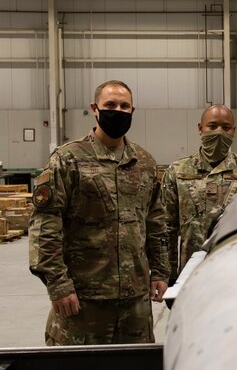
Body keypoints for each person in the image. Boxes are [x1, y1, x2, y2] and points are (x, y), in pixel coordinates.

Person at [28, 80, 169, 345]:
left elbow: (156, 222)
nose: (118, 110)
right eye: (110, 105)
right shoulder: (67, 159)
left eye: (124, 106)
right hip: (82, 301)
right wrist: (58, 285)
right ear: (95, 108)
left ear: (132, 110)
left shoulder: (145, 162)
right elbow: (45, 227)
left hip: (134, 304)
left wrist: (160, 271)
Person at [161, 104, 237, 279]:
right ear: (200, 128)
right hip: (190, 272)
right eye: (212, 126)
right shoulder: (178, 170)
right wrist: (168, 275)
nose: (219, 132)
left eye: (226, 127)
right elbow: (167, 228)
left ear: (233, 131)